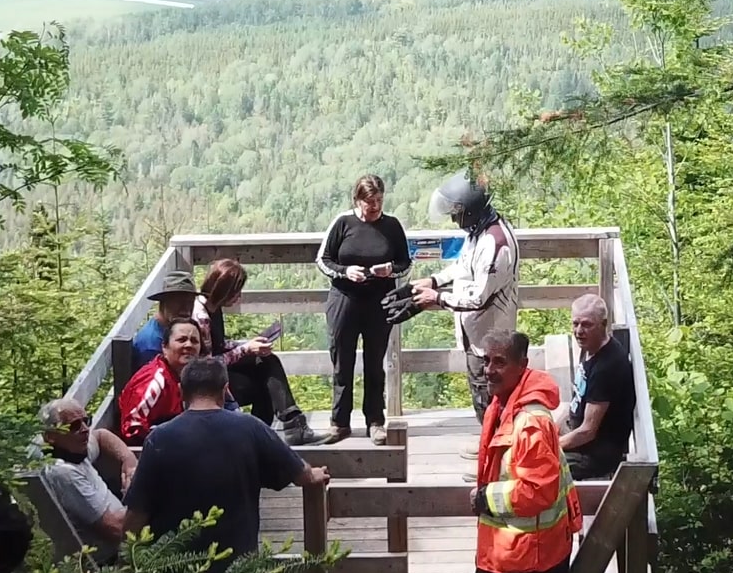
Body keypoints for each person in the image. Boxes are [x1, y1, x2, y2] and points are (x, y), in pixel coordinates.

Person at [124, 357, 331, 573]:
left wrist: (127, 568)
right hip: (236, 572)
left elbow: (136, 516)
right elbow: (301, 475)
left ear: (182, 391)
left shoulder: (160, 439)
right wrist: (316, 476)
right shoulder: (249, 428)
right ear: (225, 390)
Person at [467, 330, 581, 573]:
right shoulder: (508, 403)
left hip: (518, 558)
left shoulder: (528, 422)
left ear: (522, 365)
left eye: (500, 362)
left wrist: (485, 497)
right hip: (522, 551)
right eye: (486, 360)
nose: (489, 369)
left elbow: (537, 491)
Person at [409, 171, 519, 422]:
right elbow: (464, 266)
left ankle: (495, 448)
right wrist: (434, 280)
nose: (453, 219)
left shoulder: (494, 243)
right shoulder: (479, 232)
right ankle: (489, 443)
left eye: (456, 212)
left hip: (490, 338)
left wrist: (437, 298)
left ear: (469, 209)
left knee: (490, 395)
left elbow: (479, 296)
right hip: (477, 334)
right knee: (481, 392)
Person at [315, 174, 411, 445]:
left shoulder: (392, 226)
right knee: (342, 362)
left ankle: (376, 421)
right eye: (370, 201)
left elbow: (406, 263)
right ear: (357, 200)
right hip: (344, 299)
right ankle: (339, 422)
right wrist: (346, 272)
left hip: (380, 302)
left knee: (374, 362)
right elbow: (323, 260)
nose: (375, 206)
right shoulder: (343, 223)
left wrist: (390, 269)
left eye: (379, 200)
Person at [195, 258, 319, 445]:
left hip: (220, 371)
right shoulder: (201, 316)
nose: (239, 297)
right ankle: (264, 436)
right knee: (264, 384)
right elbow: (208, 364)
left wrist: (248, 344)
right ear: (224, 290)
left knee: (267, 361)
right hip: (208, 382)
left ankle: (286, 426)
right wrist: (245, 349)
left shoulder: (213, 307)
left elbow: (217, 344)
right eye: (236, 292)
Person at [36, 397, 136, 556]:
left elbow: (102, 435)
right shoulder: (64, 473)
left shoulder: (73, 449)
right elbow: (115, 531)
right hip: (114, 557)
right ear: (50, 436)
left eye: (86, 421)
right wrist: (145, 502)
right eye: (74, 426)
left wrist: (128, 460)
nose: (85, 429)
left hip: (127, 533)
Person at [559, 294, 636, 480]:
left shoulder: (607, 367)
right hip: (575, 431)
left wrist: (549, 445)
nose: (579, 331)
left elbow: (587, 432)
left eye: (586, 324)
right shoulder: (589, 348)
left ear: (604, 324)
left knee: (532, 467)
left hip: (593, 453)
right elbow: (577, 399)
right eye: (575, 324)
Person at [118, 318, 205, 445]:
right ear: (164, 347)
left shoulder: (192, 375)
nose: (189, 345)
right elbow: (132, 430)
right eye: (182, 340)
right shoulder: (154, 381)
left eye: (194, 341)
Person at [130, 269, 199, 370]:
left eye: (190, 302)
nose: (186, 309)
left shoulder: (170, 328)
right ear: (164, 302)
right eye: (179, 302)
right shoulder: (151, 345)